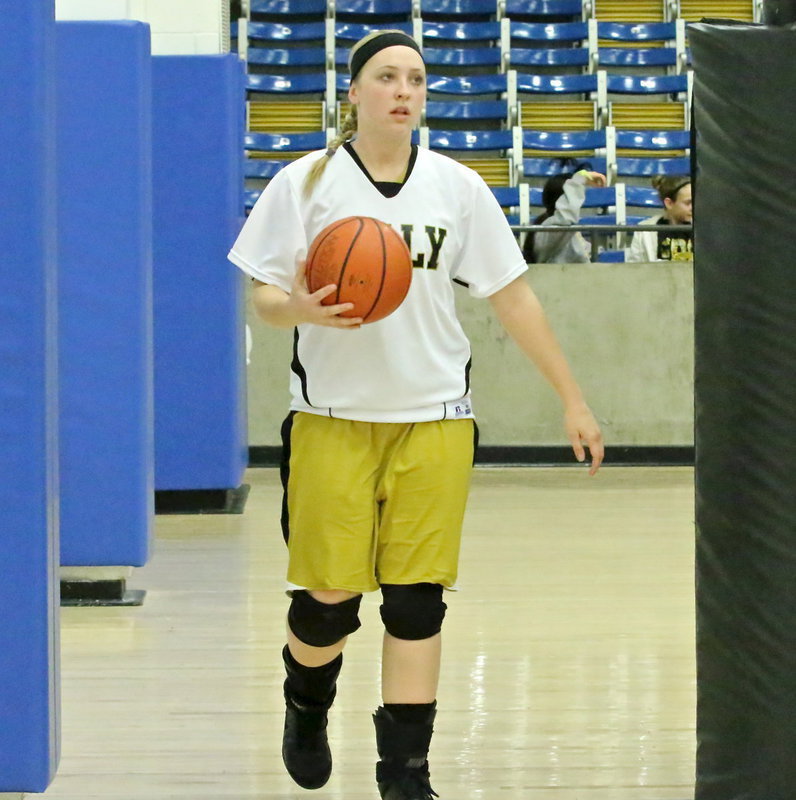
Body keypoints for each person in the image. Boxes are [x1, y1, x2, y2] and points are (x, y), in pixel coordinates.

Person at [227, 29, 604, 800]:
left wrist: (572, 396)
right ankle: (307, 703)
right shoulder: (305, 183)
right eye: (387, 77)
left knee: (416, 602)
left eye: (417, 80)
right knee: (328, 605)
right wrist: (297, 306)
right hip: (331, 416)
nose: (404, 90)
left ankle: (405, 775)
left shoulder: (457, 188)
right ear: (355, 93)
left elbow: (514, 295)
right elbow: (262, 297)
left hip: (435, 417)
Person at [522, 169, 607, 264]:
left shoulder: (566, 230)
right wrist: (580, 178)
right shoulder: (549, 229)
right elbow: (566, 217)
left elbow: (581, 250)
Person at [626, 175, 693, 262]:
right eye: (688, 203)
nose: (693, 207)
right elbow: (634, 269)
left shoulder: (704, 228)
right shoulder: (644, 230)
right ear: (669, 203)